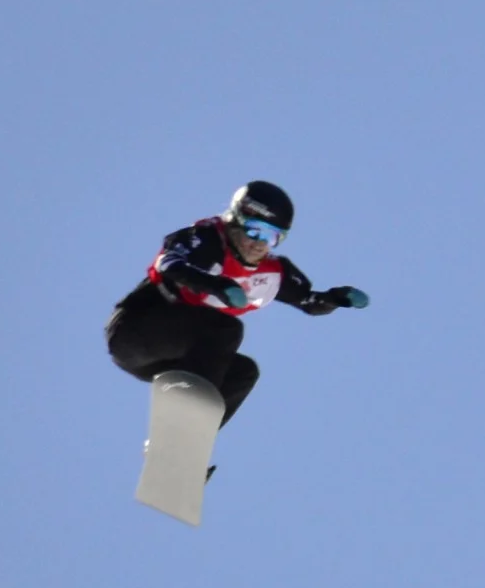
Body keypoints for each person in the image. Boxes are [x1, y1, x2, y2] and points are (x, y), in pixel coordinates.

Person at [106, 181, 369, 431]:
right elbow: (170, 264)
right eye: (255, 230)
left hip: (174, 359)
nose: (260, 244)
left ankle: (187, 443)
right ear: (236, 221)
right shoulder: (207, 240)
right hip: (135, 331)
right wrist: (216, 285)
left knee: (243, 373)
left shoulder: (271, 273)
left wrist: (334, 299)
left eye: (272, 236)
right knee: (226, 329)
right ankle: (186, 415)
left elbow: (308, 302)